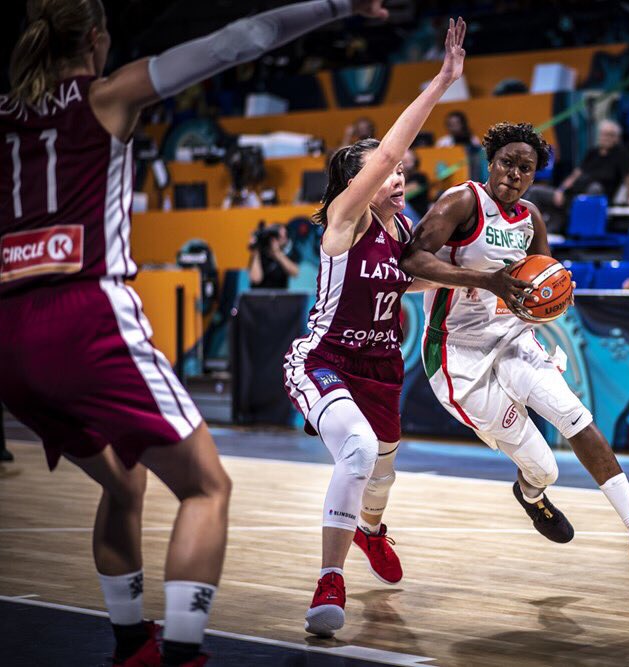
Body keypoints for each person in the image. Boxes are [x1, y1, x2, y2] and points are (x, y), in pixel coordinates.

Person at [0, 1, 391, 663]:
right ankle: (183, 651)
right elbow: (244, 39)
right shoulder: (107, 94)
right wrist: (339, 6)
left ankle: (130, 643)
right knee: (207, 487)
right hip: (85, 314)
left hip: (8, 333)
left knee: (124, 482)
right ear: (98, 38)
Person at [400, 121, 629, 573]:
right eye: (507, 163)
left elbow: (545, 278)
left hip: (512, 338)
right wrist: (484, 280)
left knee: (575, 415)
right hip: (455, 352)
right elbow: (411, 258)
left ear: (534, 176)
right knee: (544, 468)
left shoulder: (531, 218)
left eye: (524, 168)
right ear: (490, 162)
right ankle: (531, 493)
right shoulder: (463, 201)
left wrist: (547, 303)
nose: (513, 173)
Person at [283, 17, 472, 636]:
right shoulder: (346, 218)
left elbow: (413, 281)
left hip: (381, 365)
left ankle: (369, 531)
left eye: (398, 173)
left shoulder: (400, 226)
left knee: (383, 469)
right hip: (325, 358)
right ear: (358, 182)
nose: (398, 175)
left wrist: (491, 279)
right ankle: (328, 581)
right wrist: (442, 80)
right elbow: (389, 148)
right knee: (360, 452)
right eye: (387, 172)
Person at [525, 119, 629, 233]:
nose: (606, 137)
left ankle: (566, 225)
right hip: (571, 194)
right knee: (534, 192)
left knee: (594, 188)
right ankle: (529, 230)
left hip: (595, 197)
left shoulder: (622, 155)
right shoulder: (592, 153)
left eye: (610, 135)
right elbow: (575, 175)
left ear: (616, 138)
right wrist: (561, 191)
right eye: (603, 134)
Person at [248, 222, 301, 289]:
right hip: (259, 296)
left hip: (280, 296)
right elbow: (256, 279)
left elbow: (295, 272)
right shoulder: (259, 254)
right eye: (280, 236)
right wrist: (256, 253)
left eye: (285, 235)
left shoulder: (287, 253)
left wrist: (277, 253)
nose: (284, 238)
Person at [401, 149, 429, 218]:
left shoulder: (419, 177)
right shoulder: (399, 178)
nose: (407, 164)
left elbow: (403, 192)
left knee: (401, 204)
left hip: (418, 217)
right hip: (405, 216)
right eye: (404, 161)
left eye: (409, 160)